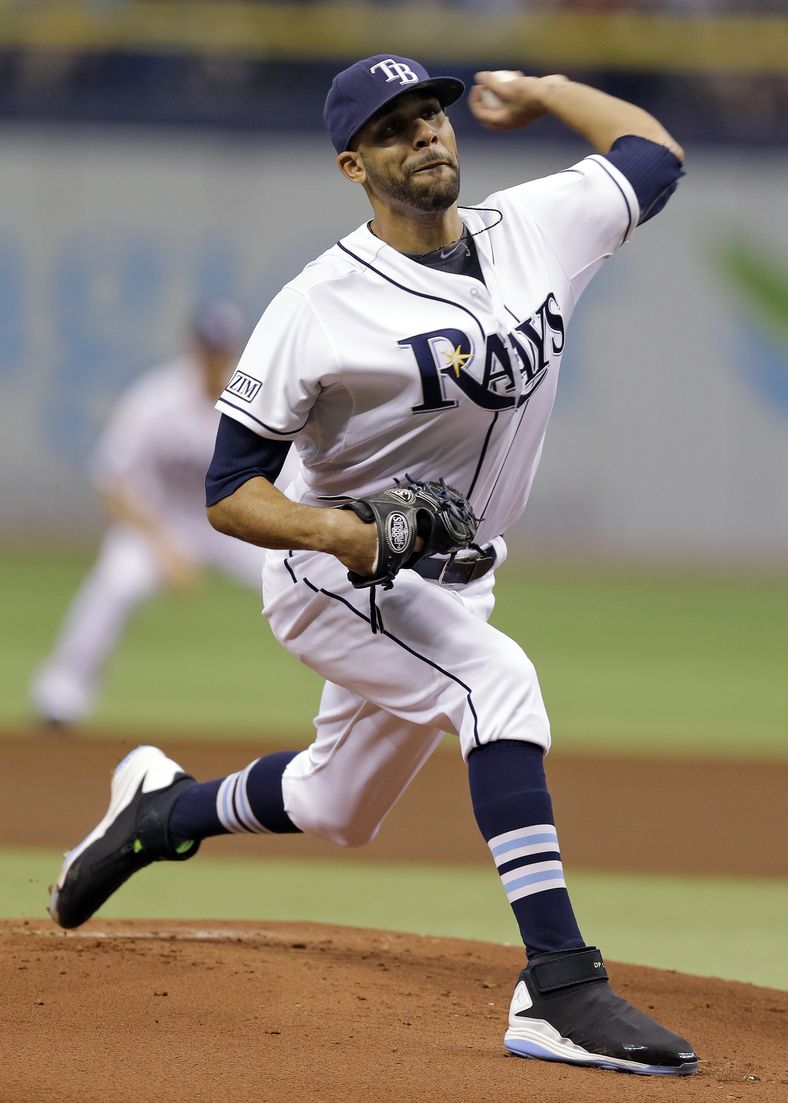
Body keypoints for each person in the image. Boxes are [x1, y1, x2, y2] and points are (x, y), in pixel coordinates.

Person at [48, 56, 698, 1076]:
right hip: (335, 574)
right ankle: (560, 985)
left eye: (431, 114)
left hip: (453, 575)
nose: (427, 134)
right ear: (355, 164)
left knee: (336, 804)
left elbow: (653, 152)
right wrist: (345, 535)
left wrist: (542, 90)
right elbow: (229, 489)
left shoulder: (537, 226)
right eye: (395, 128)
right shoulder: (318, 305)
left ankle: (162, 809)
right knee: (498, 681)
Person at [31, 301, 267, 727]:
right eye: (207, 349)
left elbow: (286, 485)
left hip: (234, 523)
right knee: (116, 581)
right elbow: (112, 482)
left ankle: (360, 700)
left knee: (300, 582)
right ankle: (60, 698)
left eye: (222, 349)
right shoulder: (156, 398)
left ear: (235, 350)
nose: (214, 358)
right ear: (192, 348)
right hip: (165, 522)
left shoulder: (254, 402)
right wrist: (162, 548)